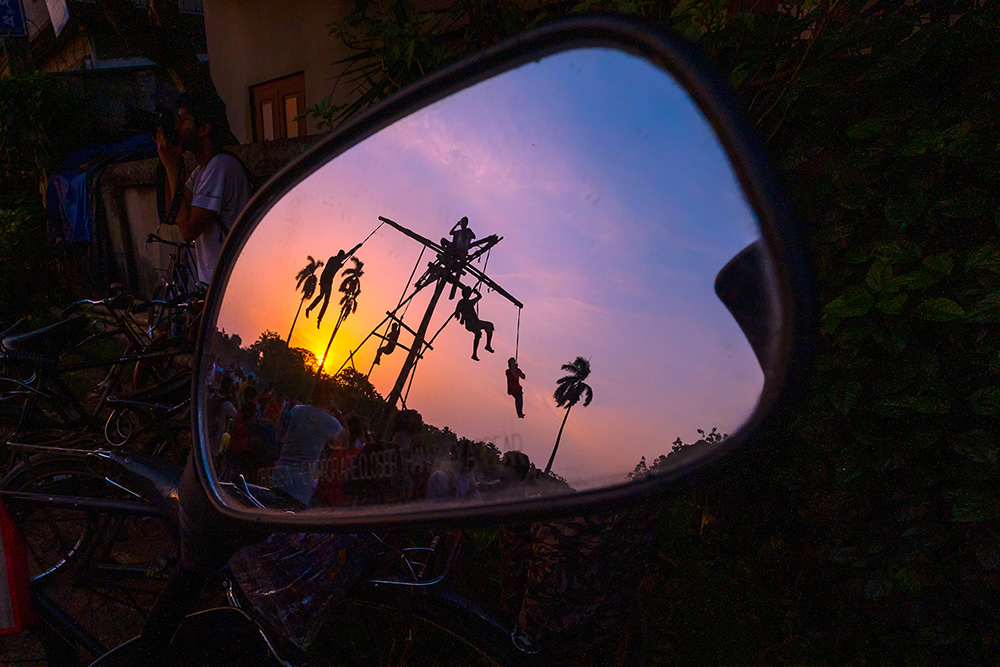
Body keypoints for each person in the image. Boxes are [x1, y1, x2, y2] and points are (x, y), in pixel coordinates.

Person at [156, 92, 250, 284]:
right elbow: (171, 214)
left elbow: (189, 231)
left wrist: (172, 166)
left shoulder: (220, 167)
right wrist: (167, 162)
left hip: (230, 283)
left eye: (182, 121)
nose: (177, 128)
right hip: (214, 282)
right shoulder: (201, 172)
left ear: (205, 128)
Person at [270, 379, 346, 508]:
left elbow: (281, 431)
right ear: (329, 398)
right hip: (300, 488)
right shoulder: (329, 422)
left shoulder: (297, 410)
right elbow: (345, 437)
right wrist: (337, 412)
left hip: (280, 477)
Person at [305, 242, 363, 327]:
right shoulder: (333, 259)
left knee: (324, 299)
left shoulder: (338, 260)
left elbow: (350, 253)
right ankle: (312, 311)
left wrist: (358, 246)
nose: (341, 258)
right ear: (338, 255)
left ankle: (317, 316)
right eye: (341, 257)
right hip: (326, 281)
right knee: (323, 298)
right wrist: (323, 280)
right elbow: (327, 269)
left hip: (329, 282)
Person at [454, 285, 495, 361]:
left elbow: (479, 297)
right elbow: (458, 310)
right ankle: (474, 354)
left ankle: (488, 345)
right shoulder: (463, 302)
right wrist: (460, 316)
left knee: (489, 325)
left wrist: (476, 293)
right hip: (470, 324)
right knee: (478, 333)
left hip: (476, 322)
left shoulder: (469, 302)